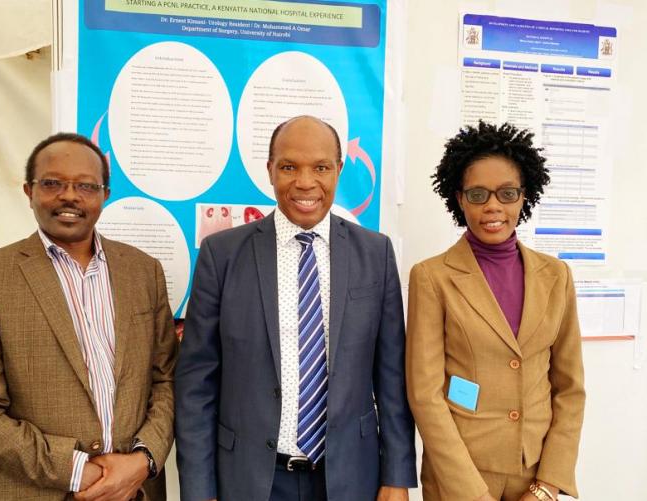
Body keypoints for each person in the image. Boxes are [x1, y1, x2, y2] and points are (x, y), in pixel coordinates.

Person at [175, 115, 417, 501]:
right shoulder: (222, 255)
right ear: (270, 170)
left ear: (339, 169)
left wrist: (397, 476)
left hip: (350, 478)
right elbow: (196, 383)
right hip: (250, 480)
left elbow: (391, 378)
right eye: (289, 167)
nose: (305, 182)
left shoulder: (376, 254)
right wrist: (199, 489)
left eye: (321, 167)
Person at [0, 133, 177, 500]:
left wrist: (143, 459)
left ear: (105, 194)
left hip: (135, 491)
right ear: (29, 191)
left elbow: (166, 379)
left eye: (86, 186)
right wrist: (78, 471)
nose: (70, 196)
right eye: (53, 183)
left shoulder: (142, 271)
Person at [406, 121, 585, 501]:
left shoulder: (557, 276)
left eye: (507, 193)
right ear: (459, 198)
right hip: (460, 480)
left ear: (524, 196)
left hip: (534, 477)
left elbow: (570, 390)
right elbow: (425, 395)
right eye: (478, 194)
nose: (493, 206)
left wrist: (547, 486)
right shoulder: (432, 278)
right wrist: (473, 494)